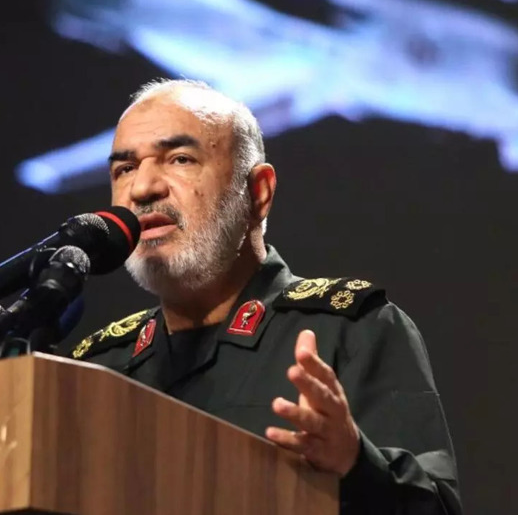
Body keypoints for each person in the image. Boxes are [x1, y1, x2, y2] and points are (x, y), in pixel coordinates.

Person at [59, 79, 460, 514]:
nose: (143, 188)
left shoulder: (351, 330)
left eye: (180, 158)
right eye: (125, 169)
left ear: (258, 191)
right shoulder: (98, 369)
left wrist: (355, 464)